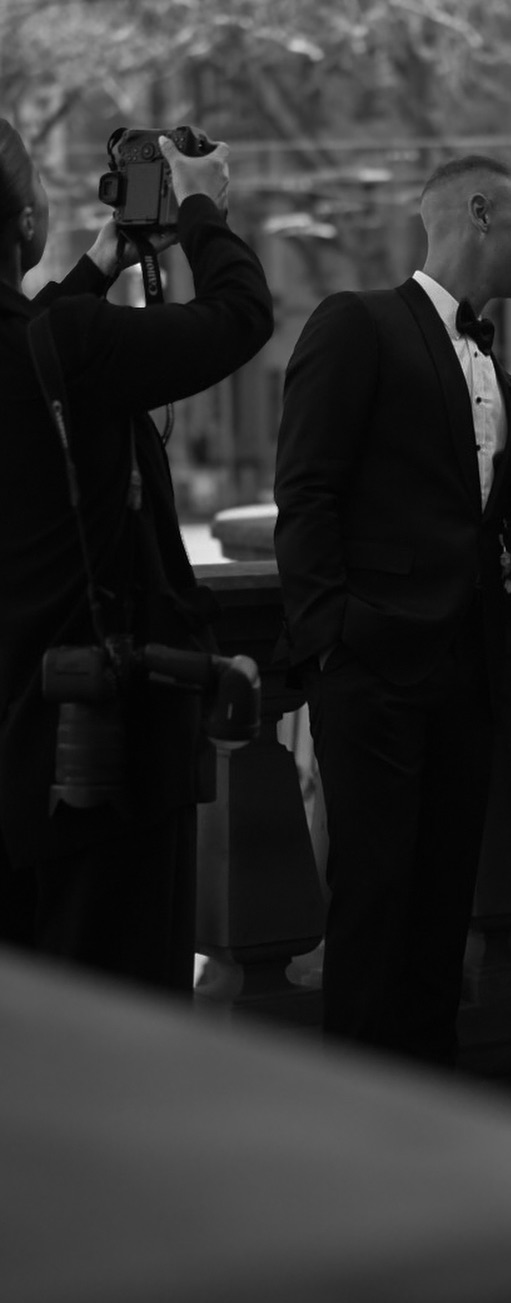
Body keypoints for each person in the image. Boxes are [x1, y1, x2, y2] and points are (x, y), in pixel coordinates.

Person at [273, 155, 511, 1066]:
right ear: (479, 212)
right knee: (373, 901)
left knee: (444, 904)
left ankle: (431, 1115)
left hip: (467, 670)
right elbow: (307, 491)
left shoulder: (495, 361)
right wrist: (333, 644)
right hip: (372, 671)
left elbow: (491, 506)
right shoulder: (360, 323)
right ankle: (355, 1125)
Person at [0, 120, 273, 990]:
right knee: (115, 1015)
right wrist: (201, 208)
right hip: (92, 756)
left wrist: (99, 265)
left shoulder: (47, 344)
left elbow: (40, 339)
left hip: (11, 746)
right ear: (27, 225)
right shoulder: (72, 346)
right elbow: (237, 318)